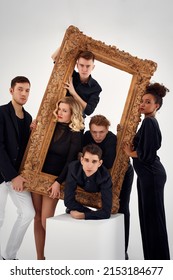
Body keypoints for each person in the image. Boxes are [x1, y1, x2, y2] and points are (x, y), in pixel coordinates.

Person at [32, 96, 84, 260]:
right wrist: (34, 128)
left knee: (46, 220)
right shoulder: (50, 126)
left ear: (72, 113)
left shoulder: (76, 133)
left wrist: (58, 182)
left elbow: (71, 162)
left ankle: (58, 257)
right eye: (59, 109)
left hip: (55, 179)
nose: (60, 113)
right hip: (37, 176)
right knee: (36, 216)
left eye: (64, 110)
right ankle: (40, 259)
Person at [124, 82, 170, 260]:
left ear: (156, 105)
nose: (142, 104)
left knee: (153, 221)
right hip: (147, 175)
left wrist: (130, 153)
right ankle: (153, 261)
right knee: (148, 218)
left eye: (148, 102)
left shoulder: (150, 123)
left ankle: (160, 264)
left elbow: (147, 155)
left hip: (151, 175)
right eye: (142, 101)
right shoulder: (147, 122)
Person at [83, 115, 134, 259]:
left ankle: (123, 249)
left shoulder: (111, 139)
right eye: (94, 132)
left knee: (122, 207)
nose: (97, 136)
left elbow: (109, 163)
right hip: (100, 173)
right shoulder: (87, 136)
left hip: (123, 172)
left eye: (101, 132)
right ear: (90, 130)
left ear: (107, 130)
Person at [0, 76, 35, 260]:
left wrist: (34, 133)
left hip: (17, 176)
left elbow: (24, 149)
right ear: (11, 90)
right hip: (2, 174)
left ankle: (8, 256)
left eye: (27, 90)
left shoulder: (28, 117)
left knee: (28, 213)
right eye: (20, 89)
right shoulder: (1, 112)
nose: (24, 93)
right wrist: (12, 176)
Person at [64, 144, 112, 219]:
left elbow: (106, 212)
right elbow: (68, 201)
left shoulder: (105, 177)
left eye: (94, 161)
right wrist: (92, 213)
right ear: (81, 160)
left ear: (100, 163)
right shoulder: (73, 168)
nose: (89, 166)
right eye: (86, 160)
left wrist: (82, 215)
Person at [51, 49, 102, 117]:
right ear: (77, 65)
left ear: (93, 67)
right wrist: (69, 41)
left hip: (77, 122)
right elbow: (54, 58)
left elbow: (89, 110)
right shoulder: (70, 74)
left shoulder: (96, 88)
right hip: (60, 117)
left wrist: (73, 93)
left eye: (88, 66)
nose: (84, 69)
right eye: (81, 65)